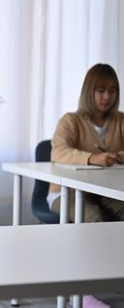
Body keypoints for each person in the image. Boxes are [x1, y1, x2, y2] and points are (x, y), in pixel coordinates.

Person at [49, 63, 124, 308]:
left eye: (112, 91)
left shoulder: (121, 120)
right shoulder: (71, 121)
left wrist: (116, 156)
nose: (107, 97)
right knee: (93, 219)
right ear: (89, 92)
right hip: (65, 193)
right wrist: (92, 158)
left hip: (105, 192)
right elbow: (59, 152)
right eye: (101, 90)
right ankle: (83, 293)